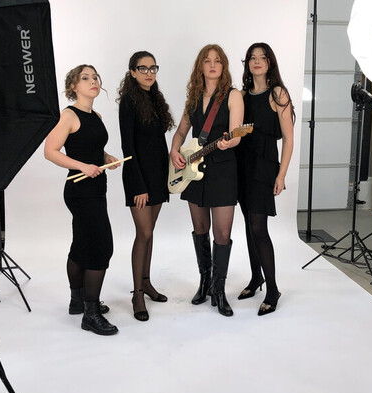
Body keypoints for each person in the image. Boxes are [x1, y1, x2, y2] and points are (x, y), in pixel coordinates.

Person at [43, 64, 121, 335]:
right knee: (101, 247)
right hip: (80, 191)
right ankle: (91, 314)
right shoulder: (68, 115)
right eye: (85, 78)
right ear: (73, 86)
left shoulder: (95, 115)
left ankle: (78, 301)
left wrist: (106, 158)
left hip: (97, 188)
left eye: (95, 77)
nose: (93, 81)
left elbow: (93, 149)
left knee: (81, 245)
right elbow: (50, 151)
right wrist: (82, 166)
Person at [169, 44, 245, 316]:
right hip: (194, 172)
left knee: (222, 233)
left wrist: (229, 142)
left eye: (218, 61)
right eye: (207, 60)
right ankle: (204, 282)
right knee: (200, 228)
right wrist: (174, 151)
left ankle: (219, 289)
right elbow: (181, 132)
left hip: (223, 170)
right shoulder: (193, 98)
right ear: (200, 66)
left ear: (223, 66)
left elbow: (237, 133)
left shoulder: (233, 95)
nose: (212, 65)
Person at [236, 43, 296, 315]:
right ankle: (255, 278)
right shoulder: (241, 96)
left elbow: (289, 139)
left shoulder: (278, 93)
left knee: (259, 227)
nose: (257, 61)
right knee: (249, 226)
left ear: (270, 62)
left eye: (262, 57)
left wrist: (282, 174)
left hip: (264, 167)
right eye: (252, 58)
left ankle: (272, 289)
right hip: (241, 166)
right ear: (247, 63)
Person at [117, 50, 174, 321]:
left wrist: (169, 173)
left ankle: (147, 283)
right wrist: (138, 185)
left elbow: (158, 143)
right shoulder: (128, 101)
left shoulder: (154, 98)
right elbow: (128, 147)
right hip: (138, 177)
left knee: (150, 233)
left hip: (158, 175)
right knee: (144, 232)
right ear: (132, 72)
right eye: (143, 68)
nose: (149, 73)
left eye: (153, 68)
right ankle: (137, 293)